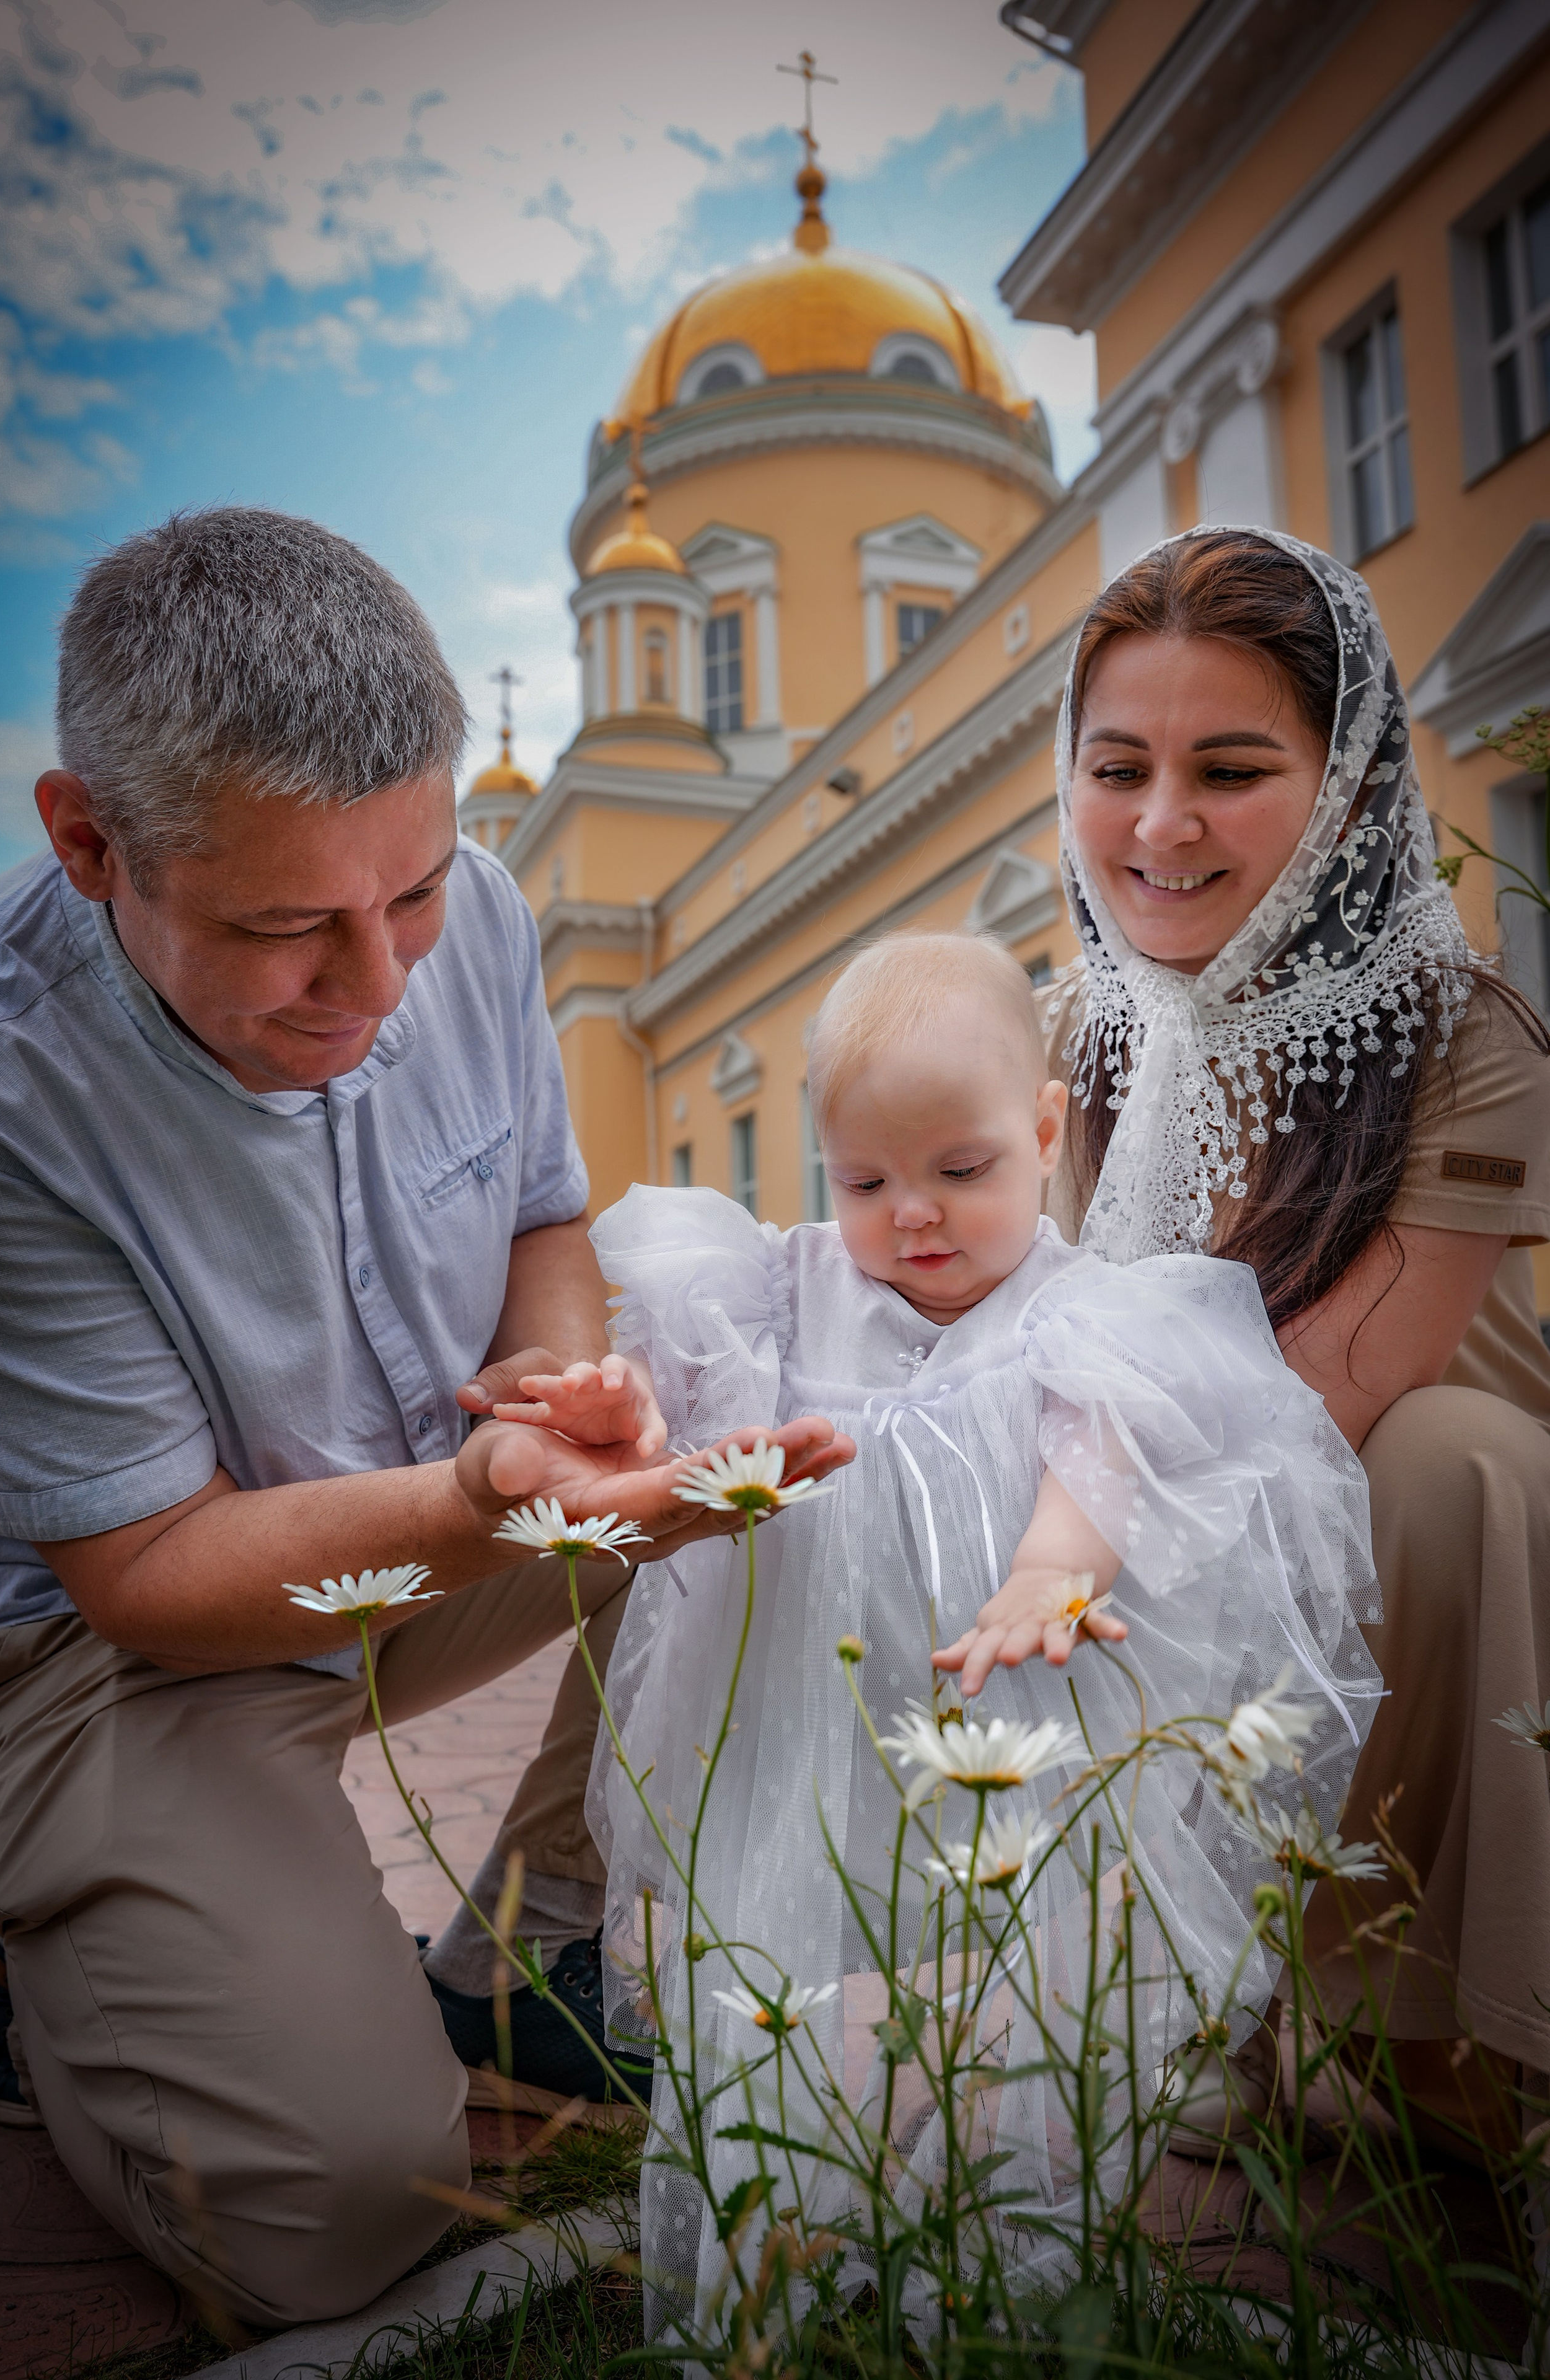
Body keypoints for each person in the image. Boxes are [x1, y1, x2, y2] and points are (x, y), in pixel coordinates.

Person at [0, 506, 850, 2330]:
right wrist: (489, 1501)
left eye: (416, 899)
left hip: (434, 1520)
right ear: (85, 844)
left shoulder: (487, 901)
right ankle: (29, 1950)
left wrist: (553, 1389)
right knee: (333, 2215)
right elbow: (149, 1575)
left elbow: (541, 1209)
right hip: (117, 1646)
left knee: (791, 1413)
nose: (377, 990)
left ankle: (530, 1950)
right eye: (289, 929)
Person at [560, 931, 1382, 2334]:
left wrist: (1056, 1566)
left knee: (1012, 1961)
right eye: (866, 1181)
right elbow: (676, 1379)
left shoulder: (1079, 1309)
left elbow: (1099, 1442)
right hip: (801, 1711)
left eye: (961, 1170)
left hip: (1007, 1700)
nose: (913, 1218)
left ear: (1044, 1131)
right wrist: (622, 1399)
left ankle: (993, 2245)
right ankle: (794, 2231)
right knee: (795, 1937)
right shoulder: (780, 1285)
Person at [1034, 526, 1550, 2150]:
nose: (1162, 824)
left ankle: (1425, 2025)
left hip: (1441, 1552)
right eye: (1120, 766)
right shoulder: (1087, 1038)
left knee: (1442, 1460)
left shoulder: (1460, 1028)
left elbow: (1330, 1392)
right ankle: (1198, 1988)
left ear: (1346, 790)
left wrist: (1073, 1524)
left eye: (1234, 769)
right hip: (1165, 1501)